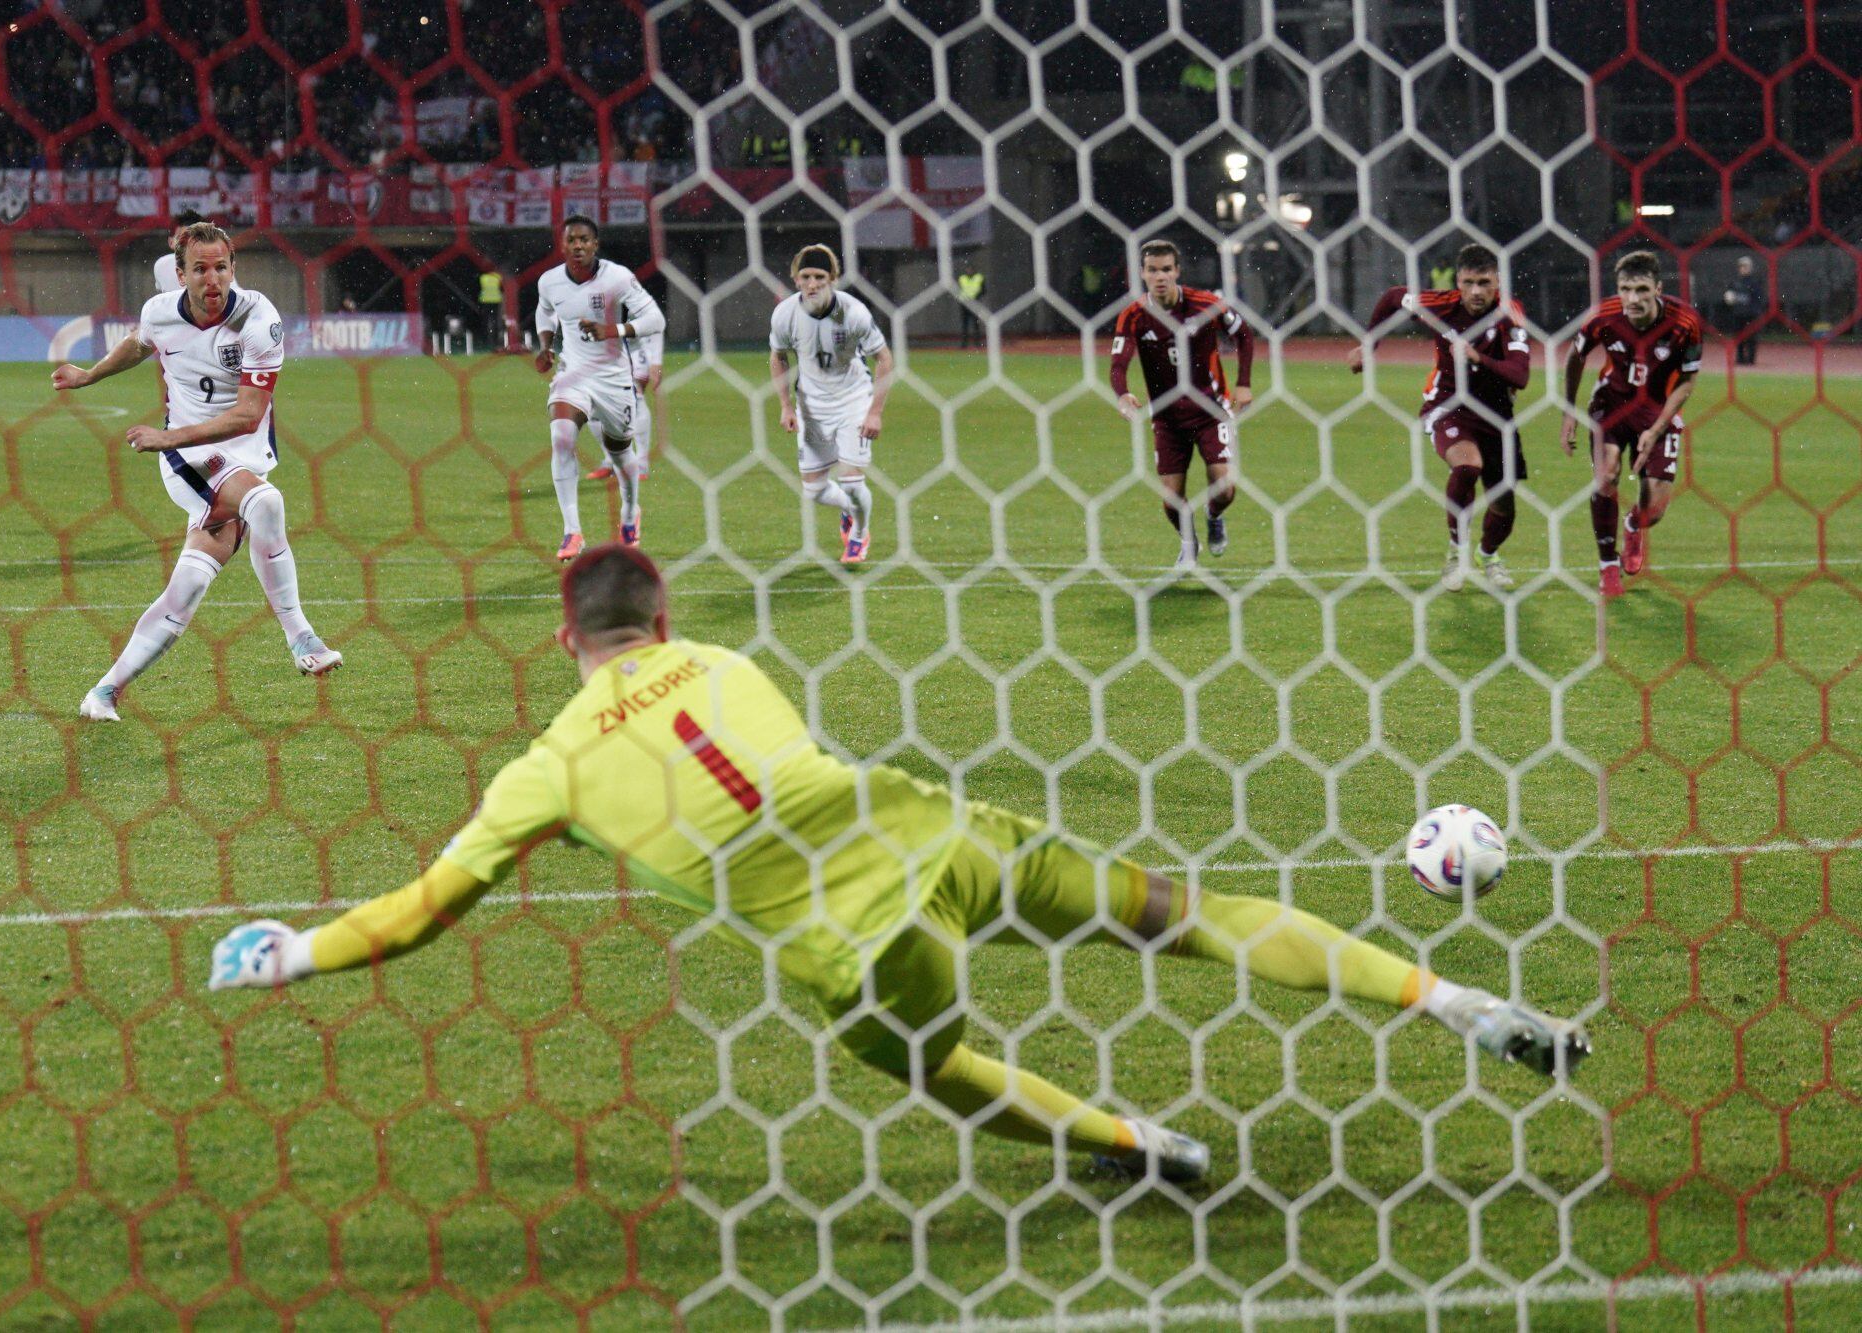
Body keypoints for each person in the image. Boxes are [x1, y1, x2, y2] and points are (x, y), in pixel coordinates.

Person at [210, 544, 1591, 1184]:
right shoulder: (725, 654)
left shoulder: (546, 765)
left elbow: (422, 914)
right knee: (1189, 914)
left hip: (858, 945)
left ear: (564, 643)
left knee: (932, 1070)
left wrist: (297, 951)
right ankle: (1453, 1003)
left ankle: (1136, 1142)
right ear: (664, 617)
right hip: (932, 827)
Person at [55, 221, 340, 723]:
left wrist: (164, 435)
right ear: (180, 274)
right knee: (266, 503)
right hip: (190, 460)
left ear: (235, 268)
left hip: (239, 451)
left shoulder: (258, 318)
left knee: (188, 584)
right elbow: (140, 343)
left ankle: (104, 691)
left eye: (222, 267)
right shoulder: (160, 312)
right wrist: (89, 375)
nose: (213, 279)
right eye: (201, 269)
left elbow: (249, 415)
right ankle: (301, 638)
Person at [1351, 244, 1531, 593]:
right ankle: (1456, 552)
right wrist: (1369, 345)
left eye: (1484, 283)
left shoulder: (1510, 314)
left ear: (1498, 282)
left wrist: (1476, 356)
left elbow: (1519, 375)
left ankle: (1488, 555)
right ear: (1458, 283)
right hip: (1448, 406)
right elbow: (1392, 297)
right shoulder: (1439, 305)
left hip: (1496, 415)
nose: (1476, 291)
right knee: (1467, 466)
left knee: (1504, 507)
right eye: (1468, 283)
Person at [1559, 250, 1702, 598]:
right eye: (1625, 289)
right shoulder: (1603, 317)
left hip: (1658, 410)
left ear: (1658, 288)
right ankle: (1608, 566)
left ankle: (1633, 525)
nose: (1632, 299)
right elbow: (1575, 357)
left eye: (1640, 289)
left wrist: (1657, 429)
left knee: (1654, 510)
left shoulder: (1685, 322)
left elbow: (1686, 381)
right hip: (1612, 405)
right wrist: (1568, 412)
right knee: (1607, 477)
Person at [1110, 239, 1255, 573]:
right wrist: (1122, 393)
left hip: (1211, 411)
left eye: (1166, 269)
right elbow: (1118, 363)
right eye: (1152, 270)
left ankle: (1214, 517)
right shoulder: (1133, 315)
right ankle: (1189, 545)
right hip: (1167, 418)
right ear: (1142, 274)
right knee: (1171, 498)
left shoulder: (1206, 304)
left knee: (1224, 488)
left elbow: (1244, 334)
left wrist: (1244, 383)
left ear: (1177, 271)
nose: (1159, 276)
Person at [534, 215, 665, 559]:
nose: (578, 246)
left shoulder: (617, 278)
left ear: (595, 244)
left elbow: (655, 319)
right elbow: (544, 311)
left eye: (584, 240)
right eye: (571, 240)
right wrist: (546, 344)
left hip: (613, 379)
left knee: (621, 452)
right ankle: (572, 532)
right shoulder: (549, 282)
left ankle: (630, 512)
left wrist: (614, 330)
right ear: (562, 245)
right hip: (573, 374)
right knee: (561, 437)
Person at [768, 244, 893, 566]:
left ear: (833, 278)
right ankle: (850, 512)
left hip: (853, 401)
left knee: (851, 481)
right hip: (812, 406)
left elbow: (884, 358)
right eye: (806, 276)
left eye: (820, 277)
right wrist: (786, 405)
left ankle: (859, 535)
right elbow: (778, 357)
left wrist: (874, 412)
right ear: (795, 279)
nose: (812, 284)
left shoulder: (853, 313)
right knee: (814, 491)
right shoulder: (785, 314)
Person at [588, 320, 662, 484]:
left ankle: (641, 464)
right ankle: (610, 462)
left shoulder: (630, 295)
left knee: (636, 399)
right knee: (593, 408)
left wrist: (656, 360)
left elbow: (654, 320)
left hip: (634, 351)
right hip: (603, 352)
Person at [1720, 255, 1765, 366]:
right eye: (1741, 266)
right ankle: (1740, 358)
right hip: (1738, 314)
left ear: (1750, 268)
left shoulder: (1755, 282)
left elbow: (1758, 298)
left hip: (1751, 314)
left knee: (1751, 337)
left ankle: (1750, 359)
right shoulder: (1735, 282)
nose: (1743, 268)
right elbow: (1729, 296)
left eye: (1745, 266)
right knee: (1738, 336)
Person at [153, 206, 207, 295]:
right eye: (181, 238)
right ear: (171, 242)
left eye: (195, 239)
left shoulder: (217, 268)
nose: (188, 244)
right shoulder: (161, 265)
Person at [957, 264, 985, 348]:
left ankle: (977, 343)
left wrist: (976, 297)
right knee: (965, 324)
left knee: (975, 324)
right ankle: (964, 343)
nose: (969, 271)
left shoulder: (979, 278)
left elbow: (983, 290)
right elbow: (957, 290)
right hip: (965, 304)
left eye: (970, 269)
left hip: (974, 303)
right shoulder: (962, 278)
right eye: (968, 269)